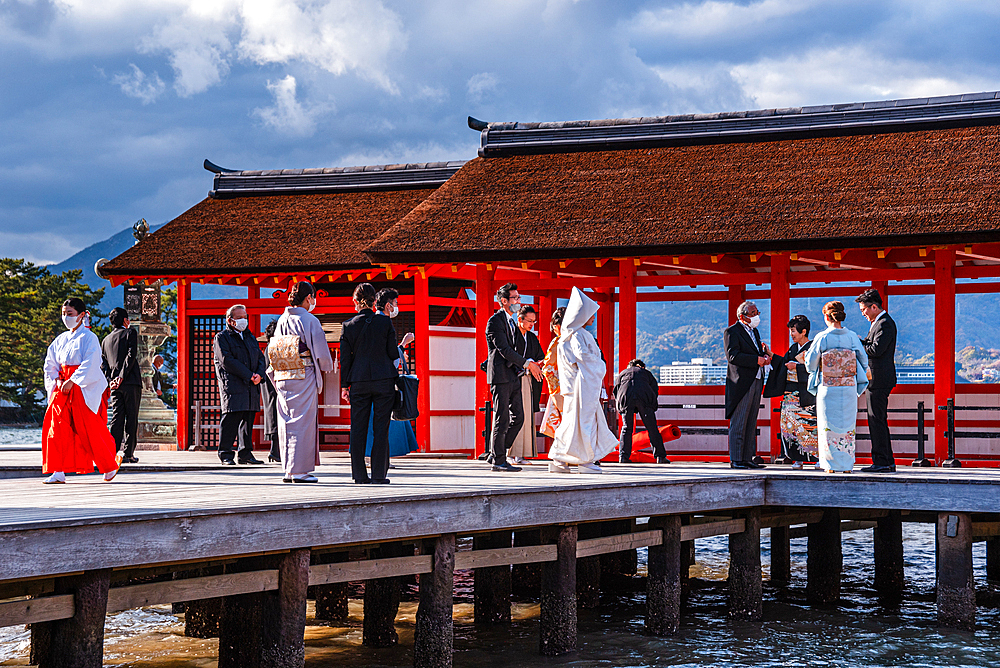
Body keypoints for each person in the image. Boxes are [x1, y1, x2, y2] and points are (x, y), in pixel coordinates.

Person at [41, 298, 120, 484]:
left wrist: (73, 380)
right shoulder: (60, 339)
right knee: (55, 427)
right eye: (63, 313)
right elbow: (50, 363)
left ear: (81, 315)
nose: (65, 317)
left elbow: (92, 362)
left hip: (82, 388)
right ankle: (57, 470)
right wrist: (57, 380)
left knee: (89, 429)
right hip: (62, 387)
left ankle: (109, 466)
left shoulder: (89, 337)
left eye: (70, 313)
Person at [267, 282, 335, 483]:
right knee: (302, 422)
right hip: (303, 373)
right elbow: (321, 351)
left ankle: (288, 469)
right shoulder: (309, 319)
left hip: (282, 374)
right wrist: (326, 365)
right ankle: (299, 471)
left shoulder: (282, 319)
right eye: (313, 298)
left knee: (286, 421)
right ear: (308, 298)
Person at [548, 287, 618, 474]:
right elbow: (585, 358)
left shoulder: (567, 336)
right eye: (590, 313)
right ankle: (585, 460)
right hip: (582, 386)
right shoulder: (579, 335)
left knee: (571, 424)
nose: (593, 317)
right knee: (585, 423)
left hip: (574, 387)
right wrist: (600, 365)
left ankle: (559, 458)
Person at [340, 283, 399, 484]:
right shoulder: (384, 323)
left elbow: (345, 360)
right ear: (375, 302)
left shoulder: (348, 326)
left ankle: (359, 475)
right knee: (381, 428)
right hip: (383, 381)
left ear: (355, 302)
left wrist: (344, 386)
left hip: (358, 381)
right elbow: (393, 352)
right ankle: (379, 475)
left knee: (358, 428)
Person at [805, 301, 869, 474]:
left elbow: (810, 364)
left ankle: (830, 465)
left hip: (828, 387)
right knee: (847, 427)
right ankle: (847, 466)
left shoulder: (822, 337)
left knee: (828, 425)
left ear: (826, 316)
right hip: (848, 388)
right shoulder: (852, 336)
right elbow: (863, 360)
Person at [485, 282, 543, 472]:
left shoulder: (511, 322)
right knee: (501, 418)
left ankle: (496, 452)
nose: (519, 301)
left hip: (513, 375)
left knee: (519, 417)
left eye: (519, 297)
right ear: (504, 301)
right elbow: (504, 349)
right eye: (515, 298)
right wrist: (527, 363)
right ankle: (499, 459)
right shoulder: (495, 321)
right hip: (500, 376)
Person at [364, 288, 418, 461]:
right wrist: (402, 345)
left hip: (365, 378)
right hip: (383, 380)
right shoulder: (385, 324)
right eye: (395, 303)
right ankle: (380, 459)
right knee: (382, 421)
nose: (396, 307)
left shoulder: (368, 322)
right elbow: (390, 357)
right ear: (388, 305)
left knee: (369, 421)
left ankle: (370, 457)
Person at [213, 304, 266, 466]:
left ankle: (245, 453)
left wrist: (259, 374)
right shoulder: (222, 338)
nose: (244, 320)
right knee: (231, 418)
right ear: (230, 320)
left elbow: (260, 358)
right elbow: (227, 361)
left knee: (248, 419)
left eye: (245, 317)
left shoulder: (250, 337)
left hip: (251, 385)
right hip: (233, 384)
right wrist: (249, 375)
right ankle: (226, 454)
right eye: (240, 317)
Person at [763, 315, 818, 470]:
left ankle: (817, 458)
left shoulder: (812, 348)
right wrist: (771, 355)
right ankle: (796, 458)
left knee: (810, 427)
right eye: (791, 331)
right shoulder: (793, 349)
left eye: (793, 331)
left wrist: (798, 368)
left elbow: (816, 369)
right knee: (791, 428)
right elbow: (783, 364)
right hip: (790, 395)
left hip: (806, 395)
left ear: (804, 331)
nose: (791, 334)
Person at [724, 300, 771, 469]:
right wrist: (755, 360)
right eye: (753, 313)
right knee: (739, 421)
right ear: (742, 316)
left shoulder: (755, 332)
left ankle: (747, 458)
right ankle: (736, 459)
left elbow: (755, 352)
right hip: (742, 382)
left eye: (757, 312)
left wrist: (764, 357)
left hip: (757, 378)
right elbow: (733, 357)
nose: (756, 316)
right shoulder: (732, 332)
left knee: (751, 421)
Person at [856, 289, 898, 473]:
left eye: (864, 309)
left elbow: (875, 350)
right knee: (877, 419)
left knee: (876, 420)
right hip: (877, 379)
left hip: (879, 379)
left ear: (874, 306)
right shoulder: (879, 323)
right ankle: (886, 460)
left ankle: (882, 461)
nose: (863, 313)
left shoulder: (884, 324)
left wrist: (859, 343)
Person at [101, 307, 142, 464]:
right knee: (131, 418)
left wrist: (111, 379)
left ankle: (112, 451)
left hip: (115, 385)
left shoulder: (105, 340)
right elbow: (131, 356)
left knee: (117, 418)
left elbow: (103, 364)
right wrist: (122, 376)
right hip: (130, 381)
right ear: (125, 320)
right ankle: (128, 453)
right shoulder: (130, 332)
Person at [508, 305, 545, 465]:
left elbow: (540, 356)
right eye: (529, 321)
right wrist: (527, 363)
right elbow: (508, 355)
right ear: (520, 319)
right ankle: (508, 452)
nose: (531, 324)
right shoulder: (510, 335)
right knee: (512, 415)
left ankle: (521, 454)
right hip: (512, 380)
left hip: (527, 380)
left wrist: (536, 363)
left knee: (526, 416)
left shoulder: (531, 338)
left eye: (533, 322)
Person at [614, 359, 669, 464]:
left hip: (625, 398)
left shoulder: (622, 373)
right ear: (642, 366)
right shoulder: (646, 373)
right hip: (644, 398)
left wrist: (621, 406)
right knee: (652, 428)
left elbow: (616, 390)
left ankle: (623, 457)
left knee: (626, 428)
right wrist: (650, 404)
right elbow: (654, 389)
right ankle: (660, 457)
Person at [540, 307, 566, 439]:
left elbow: (548, 367)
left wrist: (555, 389)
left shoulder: (558, 342)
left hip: (561, 387)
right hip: (570, 386)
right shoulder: (573, 341)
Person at [260, 319, 281, 463]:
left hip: (269, 385)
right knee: (276, 415)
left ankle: (275, 450)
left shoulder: (268, 347)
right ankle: (275, 451)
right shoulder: (273, 347)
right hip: (274, 385)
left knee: (273, 414)